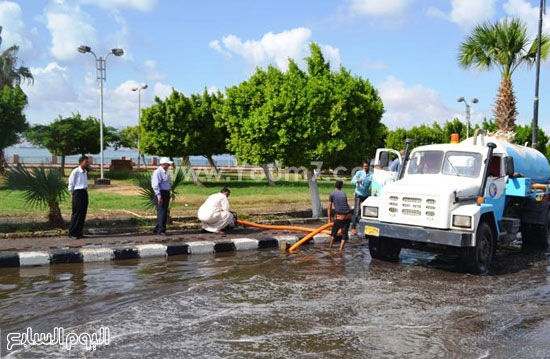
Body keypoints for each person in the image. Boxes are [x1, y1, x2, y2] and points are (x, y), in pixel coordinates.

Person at [68, 155, 89, 239]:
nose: (87, 163)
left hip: (84, 192)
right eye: (86, 162)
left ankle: (79, 232)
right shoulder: (75, 171)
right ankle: (72, 233)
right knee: (76, 213)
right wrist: (72, 193)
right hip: (77, 193)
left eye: (87, 162)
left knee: (83, 213)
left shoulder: (85, 172)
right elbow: (71, 183)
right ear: (81, 162)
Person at [328, 180, 352, 251]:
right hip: (348, 215)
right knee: (344, 233)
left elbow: (329, 207)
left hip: (340, 216)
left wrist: (329, 218)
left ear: (334, 186)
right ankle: (341, 249)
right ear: (341, 186)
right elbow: (344, 205)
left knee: (334, 232)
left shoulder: (332, 194)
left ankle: (330, 247)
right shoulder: (343, 194)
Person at [350, 161, 372, 235]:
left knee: (367, 212)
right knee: (356, 211)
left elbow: (375, 182)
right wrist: (357, 180)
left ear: (369, 167)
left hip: (366, 195)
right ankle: (353, 228)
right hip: (358, 194)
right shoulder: (359, 173)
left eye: (367, 166)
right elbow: (352, 181)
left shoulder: (371, 174)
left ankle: (365, 227)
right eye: (364, 166)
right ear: (363, 167)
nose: (365, 168)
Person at [152, 157, 172, 236]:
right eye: (168, 164)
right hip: (160, 193)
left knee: (162, 212)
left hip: (166, 193)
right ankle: (161, 230)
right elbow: (155, 185)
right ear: (164, 164)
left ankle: (157, 228)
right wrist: (159, 196)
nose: (169, 165)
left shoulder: (165, 172)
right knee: (162, 212)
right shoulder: (158, 172)